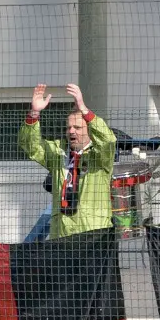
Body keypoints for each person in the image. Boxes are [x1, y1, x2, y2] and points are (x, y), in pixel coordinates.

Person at [19, 83, 116, 239]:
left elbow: (108, 140)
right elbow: (31, 146)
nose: (71, 131)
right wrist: (34, 113)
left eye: (77, 127)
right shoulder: (58, 152)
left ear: (90, 131)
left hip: (92, 234)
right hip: (61, 234)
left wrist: (84, 109)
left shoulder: (99, 156)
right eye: (69, 127)